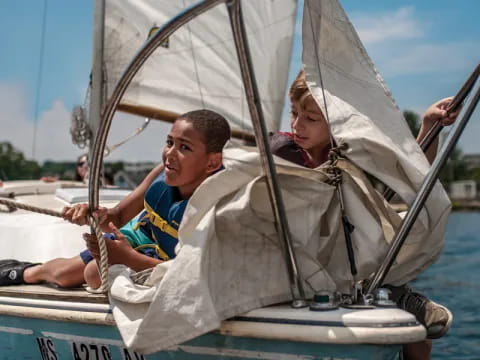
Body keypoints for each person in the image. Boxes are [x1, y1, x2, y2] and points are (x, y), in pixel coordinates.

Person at [270, 69, 456, 360]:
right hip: (296, 261)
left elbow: (410, 172)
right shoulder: (282, 151)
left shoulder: (349, 155)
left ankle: (398, 295)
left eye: (310, 118)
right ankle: (396, 295)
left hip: (348, 263)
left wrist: (430, 124)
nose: (297, 125)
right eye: (293, 114)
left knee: (417, 337)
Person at [0, 109, 230, 290]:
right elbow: (119, 216)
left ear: (212, 163)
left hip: (163, 261)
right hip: (141, 237)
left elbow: (195, 274)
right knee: (62, 276)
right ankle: (25, 271)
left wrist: (128, 258)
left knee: (93, 274)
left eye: (184, 147)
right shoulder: (162, 171)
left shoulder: (218, 207)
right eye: (169, 142)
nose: (169, 153)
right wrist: (93, 214)